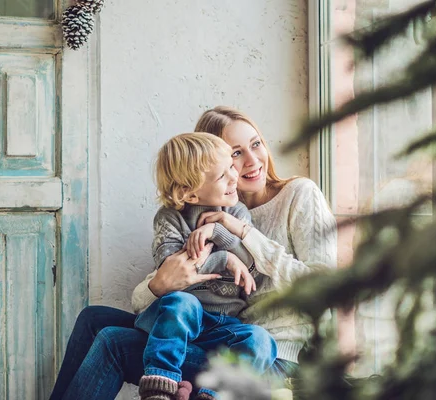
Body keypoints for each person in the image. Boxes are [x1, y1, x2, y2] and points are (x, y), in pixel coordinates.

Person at [49, 106, 337, 400]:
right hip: (211, 336)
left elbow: (326, 288)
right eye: (235, 154)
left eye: (256, 144)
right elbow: (153, 297)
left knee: (114, 342)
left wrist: (242, 232)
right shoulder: (204, 208)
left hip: (269, 356)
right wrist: (158, 285)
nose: (251, 161)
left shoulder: (298, 194)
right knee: (93, 318)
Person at [135, 132, 273, 400]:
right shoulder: (169, 219)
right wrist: (225, 259)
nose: (235, 177)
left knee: (261, 340)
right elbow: (173, 269)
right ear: (190, 193)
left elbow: (251, 267)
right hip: (174, 319)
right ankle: (159, 387)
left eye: (231, 168)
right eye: (223, 175)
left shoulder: (237, 214)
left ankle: (213, 395)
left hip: (223, 325)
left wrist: (218, 232)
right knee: (183, 303)